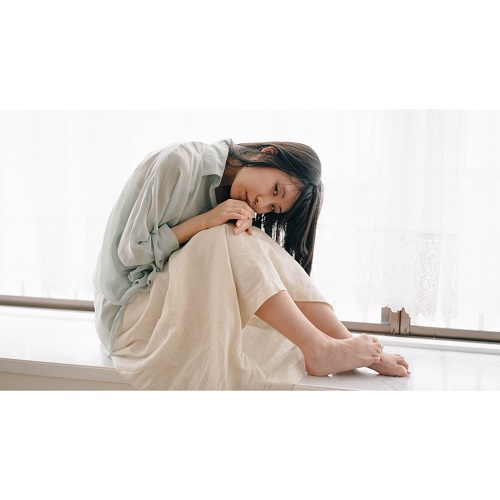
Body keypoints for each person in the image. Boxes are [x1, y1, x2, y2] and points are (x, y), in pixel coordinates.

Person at [94, 139, 410, 389]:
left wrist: (215, 221)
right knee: (226, 234)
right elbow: (130, 253)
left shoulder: (229, 196)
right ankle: (317, 347)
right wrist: (206, 221)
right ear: (267, 154)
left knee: (250, 236)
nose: (261, 204)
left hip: (168, 304)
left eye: (273, 207)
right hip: (128, 316)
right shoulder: (179, 164)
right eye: (275, 190)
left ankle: (342, 341)